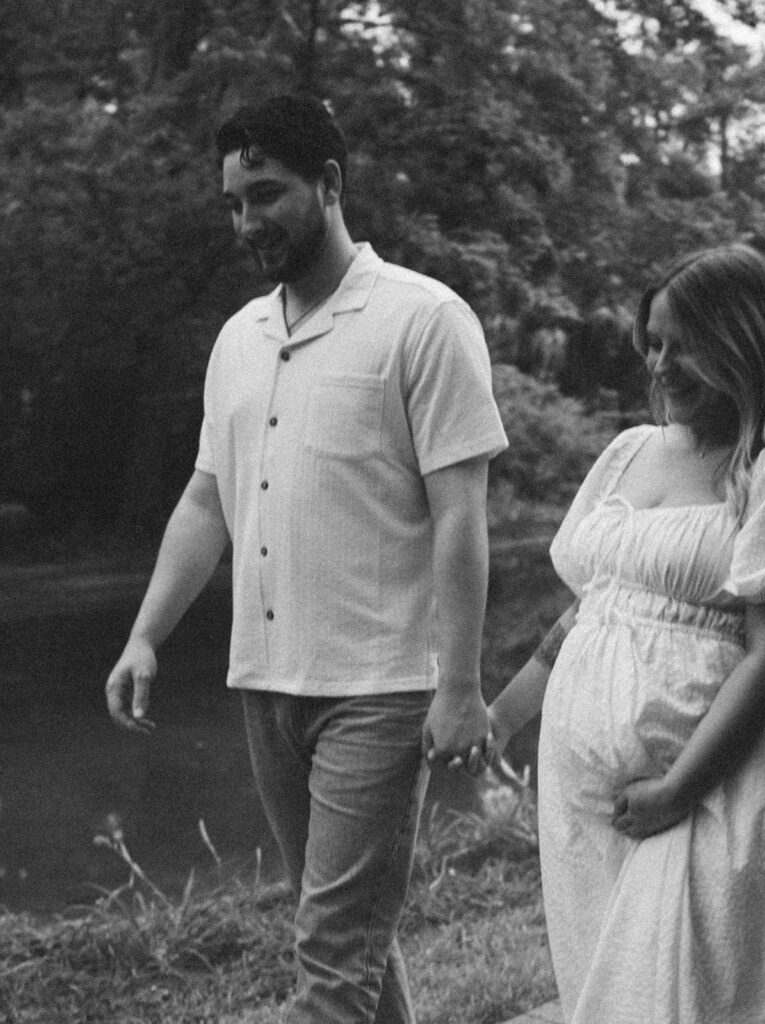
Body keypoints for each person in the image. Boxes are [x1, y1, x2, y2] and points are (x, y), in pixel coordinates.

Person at [105, 93, 507, 1024]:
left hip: (380, 686)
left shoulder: (424, 319)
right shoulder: (237, 340)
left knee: (328, 963)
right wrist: (144, 635)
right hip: (267, 683)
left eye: (267, 194)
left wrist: (461, 685)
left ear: (329, 184)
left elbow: (460, 517)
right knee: (347, 935)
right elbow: (208, 499)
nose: (248, 221)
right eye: (234, 203)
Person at [487, 244, 765, 1023]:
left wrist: (677, 789)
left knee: (689, 1002)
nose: (661, 364)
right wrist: (504, 713)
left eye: (684, 344)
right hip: (586, 802)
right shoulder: (630, 450)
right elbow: (592, 610)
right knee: (607, 997)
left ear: (743, 341)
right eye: (654, 343)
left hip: (708, 789)